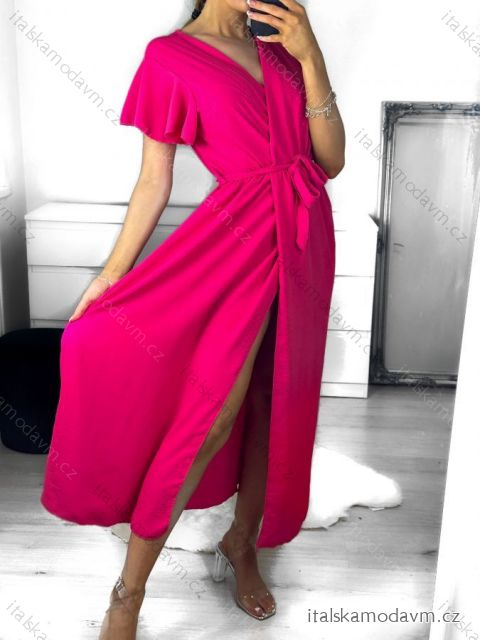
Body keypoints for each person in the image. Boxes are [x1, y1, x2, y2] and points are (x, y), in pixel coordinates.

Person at [40, 0, 345, 637]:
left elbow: (329, 161)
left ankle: (242, 542)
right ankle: (128, 592)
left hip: (304, 235)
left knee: (274, 401)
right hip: (236, 244)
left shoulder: (285, 49)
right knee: (209, 419)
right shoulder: (170, 58)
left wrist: (312, 55)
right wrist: (111, 274)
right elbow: (154, 179)